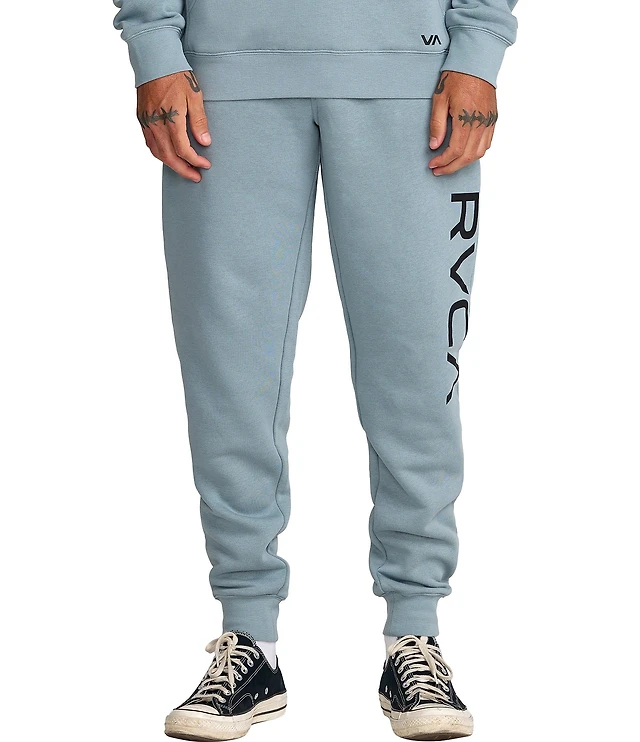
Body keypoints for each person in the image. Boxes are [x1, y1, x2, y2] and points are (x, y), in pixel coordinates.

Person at [113, 1, 518, 739]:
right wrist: (154, 44)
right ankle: (249, 640)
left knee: (417, 371)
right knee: (229, 371)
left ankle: (415, 635)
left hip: (415, 76)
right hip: (221, 76)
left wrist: (479, 45)